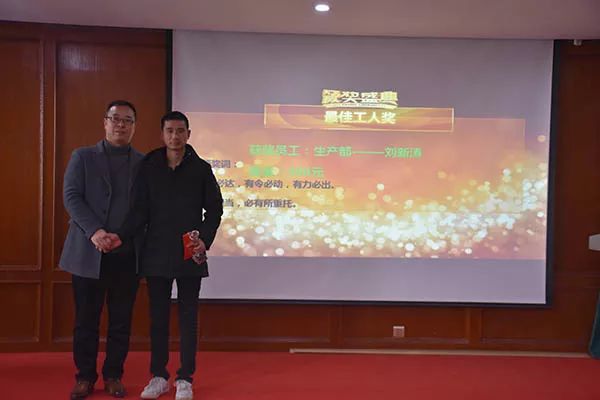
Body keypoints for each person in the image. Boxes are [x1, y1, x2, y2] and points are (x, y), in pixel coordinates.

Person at [116, 111, 223, 400]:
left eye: (180, 131)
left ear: (188, 134)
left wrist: (204, 239)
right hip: (156, 251)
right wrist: (120, 236)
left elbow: (215, 209)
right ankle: (158, 376)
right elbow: (138, 210)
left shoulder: (201, 168)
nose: (175, 136)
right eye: (169, 131)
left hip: (189, 251)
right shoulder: (149, 164)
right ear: (162, 134)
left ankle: (185, 378)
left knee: (188, 317)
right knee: (158, 317)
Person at [59, 100, 144, 399]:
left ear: (134, 126)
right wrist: (95, 232)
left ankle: (113, 376)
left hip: (127, 253)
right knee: (86, 321)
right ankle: (84, 377)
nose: (121, 124)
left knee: (120, 322)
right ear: (105, 122)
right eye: (115, 118)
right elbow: (71, 196)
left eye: (127, 120)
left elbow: (144, 208)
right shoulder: (83, 156)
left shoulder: (143, 163)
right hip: (87, 252)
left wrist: (121, 235)